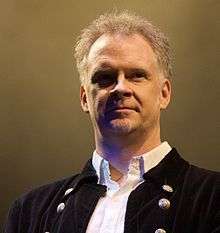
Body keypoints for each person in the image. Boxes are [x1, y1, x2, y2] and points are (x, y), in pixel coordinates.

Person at [4, 11, 220, 233]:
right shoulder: (28, 213)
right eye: (105, 77)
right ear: (84, 98)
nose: (121, 88)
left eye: (136, 75)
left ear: (164, 93)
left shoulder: (213, 199)